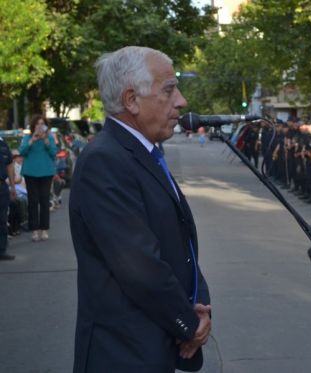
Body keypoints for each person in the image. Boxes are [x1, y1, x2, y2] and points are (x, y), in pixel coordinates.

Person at [69, 46, 211, 372]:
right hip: (123, 354)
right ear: (131, 99)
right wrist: (189, 323)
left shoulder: (141, 152)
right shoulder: (104, 160)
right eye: (169, 89)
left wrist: (200, 305)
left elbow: (180, 241)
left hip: (151, 345)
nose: (181, 101)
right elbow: (140, 265)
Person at [18, 114, 58, 242]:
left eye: (42, 124)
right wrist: (32, 141)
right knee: (33, 201)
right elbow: (22, 152)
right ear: (33, 126)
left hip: (46, 172)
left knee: (44, 201)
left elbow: (54, 153)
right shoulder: (27, 137)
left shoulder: (50, 138)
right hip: (30, 172)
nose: (40, 126)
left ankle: (44, 229)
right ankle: (34, 230)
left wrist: (46, 141)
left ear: (46, 126)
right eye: (38, 124)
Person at [0, 136, 16, 260]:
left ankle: (2, 250)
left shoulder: (2, 142)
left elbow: (10, 165)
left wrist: (12, 187)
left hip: (2, 186)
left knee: (2, 219)